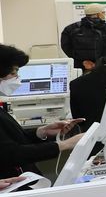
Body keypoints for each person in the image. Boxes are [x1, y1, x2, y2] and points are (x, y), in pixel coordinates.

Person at [0, 45, 84, 177]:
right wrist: (65, 144)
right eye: (13, 73)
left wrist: (42, 132)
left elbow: (13, 138)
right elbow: (11, 153)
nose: (17, 78)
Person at [60, 4, 106, 70]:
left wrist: (82, 62)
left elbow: (66, 47)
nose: (104, 14)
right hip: (102, 68)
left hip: (79, 67)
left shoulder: (70, 28)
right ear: (98, 14)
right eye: (103, 12)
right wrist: (100, 63)